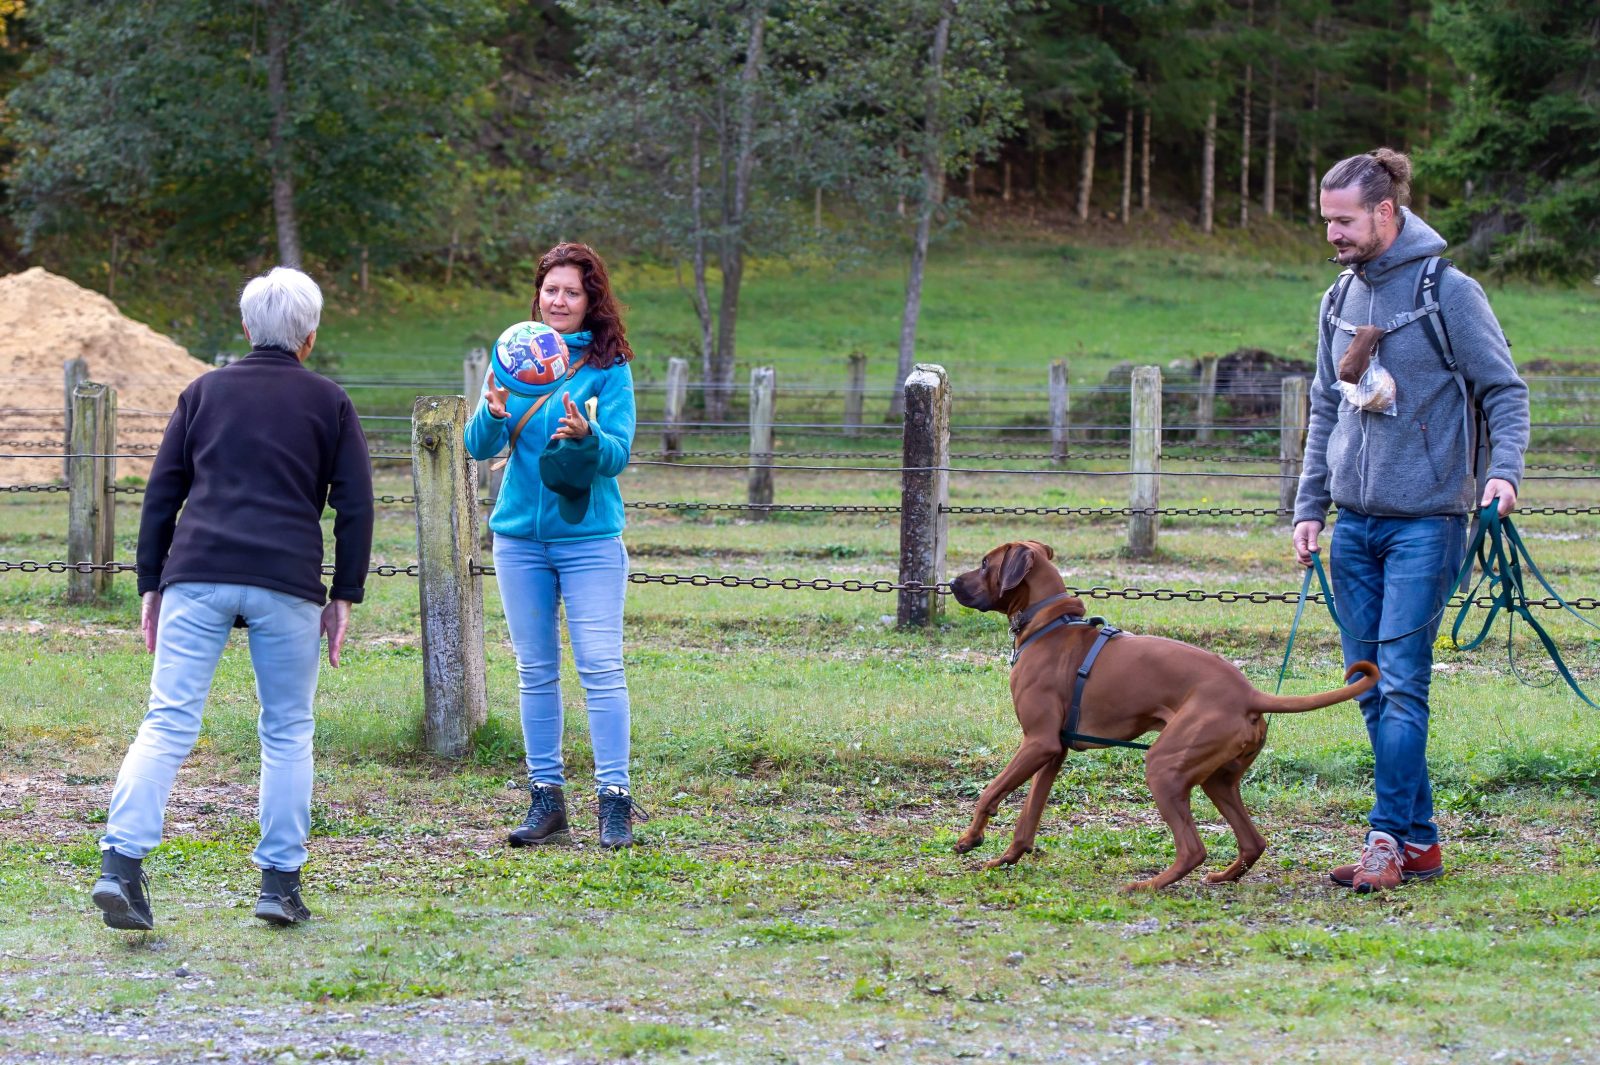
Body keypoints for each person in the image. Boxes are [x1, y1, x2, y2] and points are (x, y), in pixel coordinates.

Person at [91, 266, 374, 931]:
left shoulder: (202, 391)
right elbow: (354, 505)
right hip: (287, 579)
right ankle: (279, 883)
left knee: (167, 721)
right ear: (309, 336)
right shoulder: (329, 401)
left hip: (199, 569)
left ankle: (120, 866)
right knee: (286, 729)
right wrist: (345, 594)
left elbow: (163, 492)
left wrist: (151, 582)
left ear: (247, 328)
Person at [1292, 148, 1529, 893]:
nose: (1331, 232)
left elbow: (1505, 392)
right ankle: (1418, 841)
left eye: (1344, 220)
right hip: (1354, 525)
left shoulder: (1449, 293)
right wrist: (1309, 507)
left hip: (1428, 522)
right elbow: (1327, 406)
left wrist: (1503, 472)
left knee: (1402, 681)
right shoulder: (1336, 298)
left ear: (1386, 212)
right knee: (1367, 681)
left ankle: (1384, 839)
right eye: (1326, 219)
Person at [464, 242, 643, 850]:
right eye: (550, 290)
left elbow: (617, 455)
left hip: (589, 537)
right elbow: (478, 445)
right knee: (535, 669)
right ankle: (546, 800)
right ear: (537, 295)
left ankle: (613, 802)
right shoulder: (517, 354)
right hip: (518, 538)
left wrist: (589, 436)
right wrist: (491, 412)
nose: (559, 300)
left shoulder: (608, 366)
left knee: (599, 666)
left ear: (592, 298)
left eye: (572, 291)